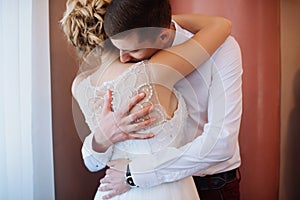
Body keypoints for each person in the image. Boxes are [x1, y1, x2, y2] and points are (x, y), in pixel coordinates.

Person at [60, 0, 233, 199]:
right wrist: (158, 23)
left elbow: (92, 162)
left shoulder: (80, 85)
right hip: (167, 191)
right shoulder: (156, 69)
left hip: (111, 192)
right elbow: (221, 25)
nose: (126, 57)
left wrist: (101, 138)